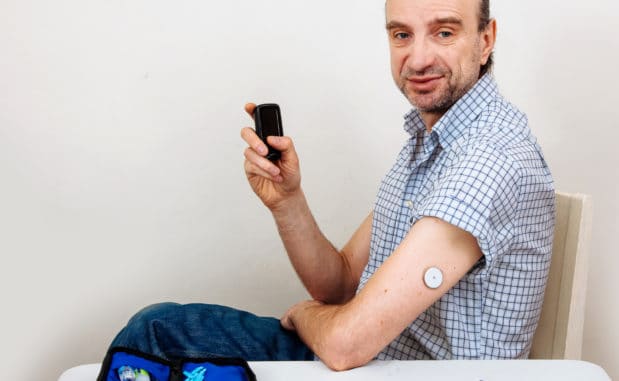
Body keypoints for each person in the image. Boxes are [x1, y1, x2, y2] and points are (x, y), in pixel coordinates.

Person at [108, 0, 555, 371]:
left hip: (394, 370)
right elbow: (340, 283)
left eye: (443, 32)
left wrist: (306, 315)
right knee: (157, 328)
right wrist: (288, 202)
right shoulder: (432, 144)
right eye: (401, 35)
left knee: (153, 337)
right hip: (371, 361)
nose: (418, 59)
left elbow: (344, 343)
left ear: (486, 39)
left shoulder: (488, 159)